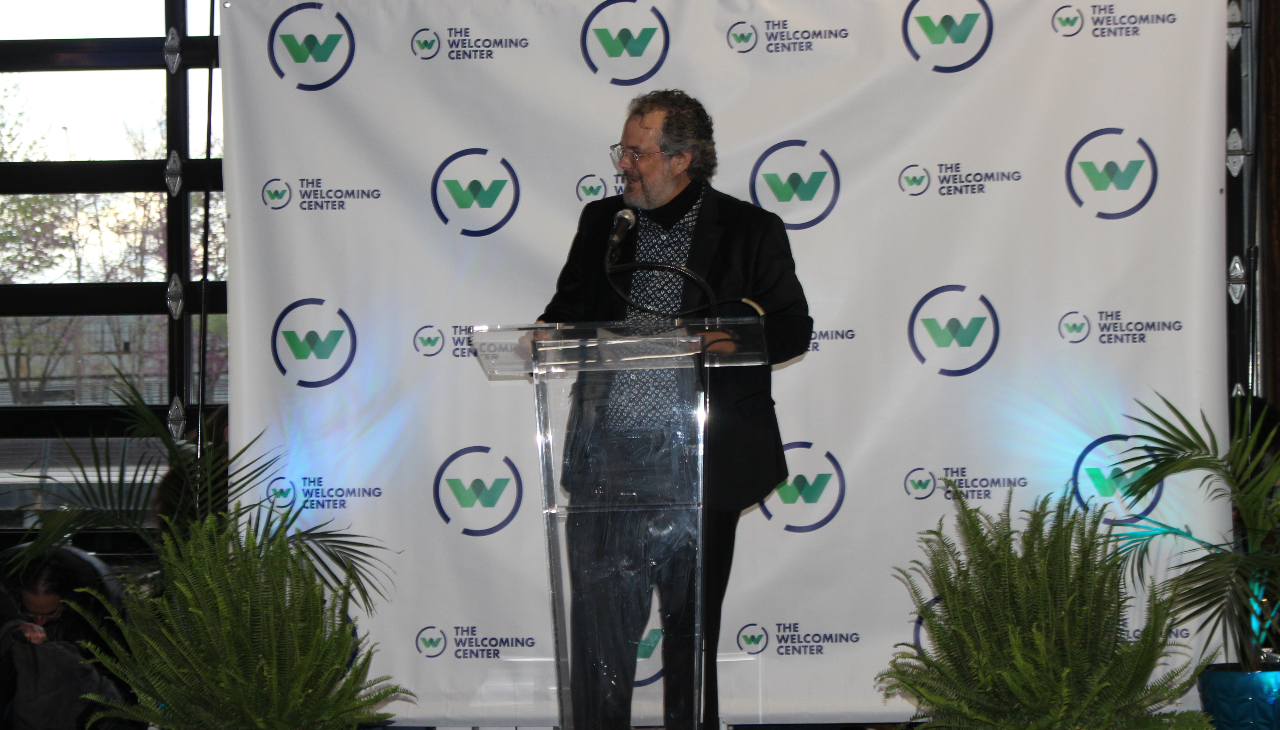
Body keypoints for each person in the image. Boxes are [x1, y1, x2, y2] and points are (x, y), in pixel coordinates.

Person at [538, 90, 811, 729]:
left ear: (682, 157)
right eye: (623, 150)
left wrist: (721, 338)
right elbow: (568, 310)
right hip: (609, 462)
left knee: (690, 646)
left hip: (699, 462)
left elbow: (792, 330)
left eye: (637, 152)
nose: (624, 164)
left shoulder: (749, 230)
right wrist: (544, 333)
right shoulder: (604, 222)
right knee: (599, 644)